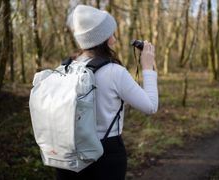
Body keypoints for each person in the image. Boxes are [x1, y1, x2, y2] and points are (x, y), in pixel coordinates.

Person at [56, 4, 158, 180]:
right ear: (104, 38)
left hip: (67, 153)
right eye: (111, 31)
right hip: (106, 154)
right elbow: (150, 106)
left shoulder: (65, 67)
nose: (115, 35)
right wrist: (148, 67)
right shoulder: (113, 71)